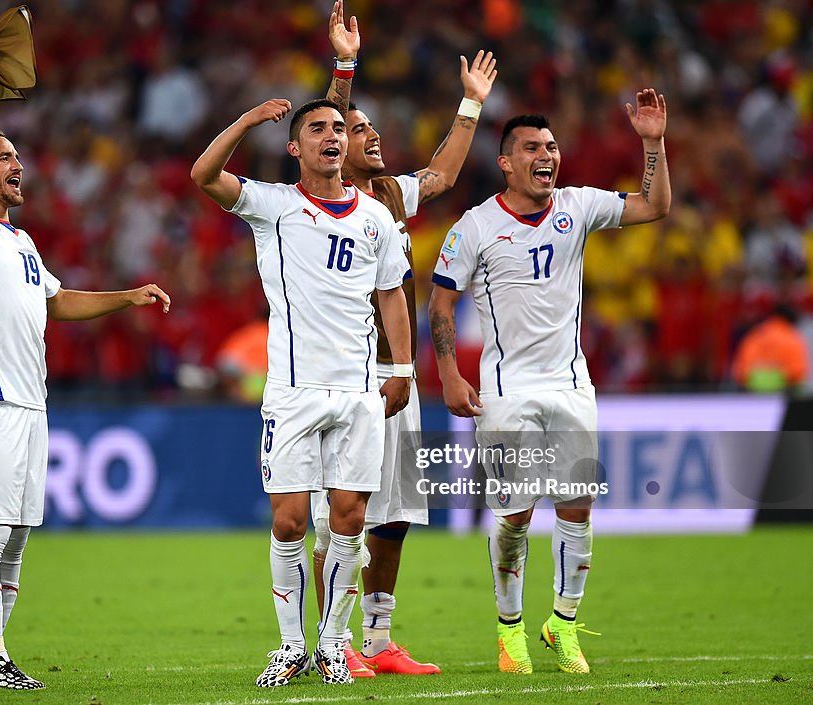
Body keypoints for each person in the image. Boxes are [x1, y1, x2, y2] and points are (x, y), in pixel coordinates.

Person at [0, 60, 170, 690]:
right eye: (5, 157)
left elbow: (56, 303)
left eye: (18, 157)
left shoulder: (22, 242)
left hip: (31, 403)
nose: (18, 166)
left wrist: (128, 295)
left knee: (16, 539)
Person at [427, 90, 671, 675]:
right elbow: (439, 305)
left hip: (570, 384)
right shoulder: (476, 226)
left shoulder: (578, 206)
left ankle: (561, 622)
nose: (547, 154)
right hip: (505, 389)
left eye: (552, 146)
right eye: (533, 147)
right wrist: (449, 376)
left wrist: (652, 142)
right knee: (514, 513)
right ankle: (509, 629)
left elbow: (654, 206)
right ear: (506, 162)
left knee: (578, 504)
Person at [191, 93, 413, 687]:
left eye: (338, 127)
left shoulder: (376, 219)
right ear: (295, 147)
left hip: (361, 389)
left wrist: (405, 369)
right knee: (290, 523)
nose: (331, 136)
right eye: (316, 129)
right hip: (292, 390)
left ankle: (334, 647)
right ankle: (290, 646)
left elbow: (392, 293)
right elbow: (203, 176)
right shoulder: (274, 206)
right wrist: (245, 121)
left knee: (350, 518)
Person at [309, 0, 498, 679]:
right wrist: (345, 68)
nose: (369, 136)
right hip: (339, 372)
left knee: (394, 511)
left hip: (397, 372)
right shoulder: (316, 202)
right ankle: (333, 641)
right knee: (343, 510)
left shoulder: (387, 193)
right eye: (356, 130)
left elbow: (442, 174)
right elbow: (324, 119)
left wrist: (470, 106)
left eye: (369, 128)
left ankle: (380, 637)